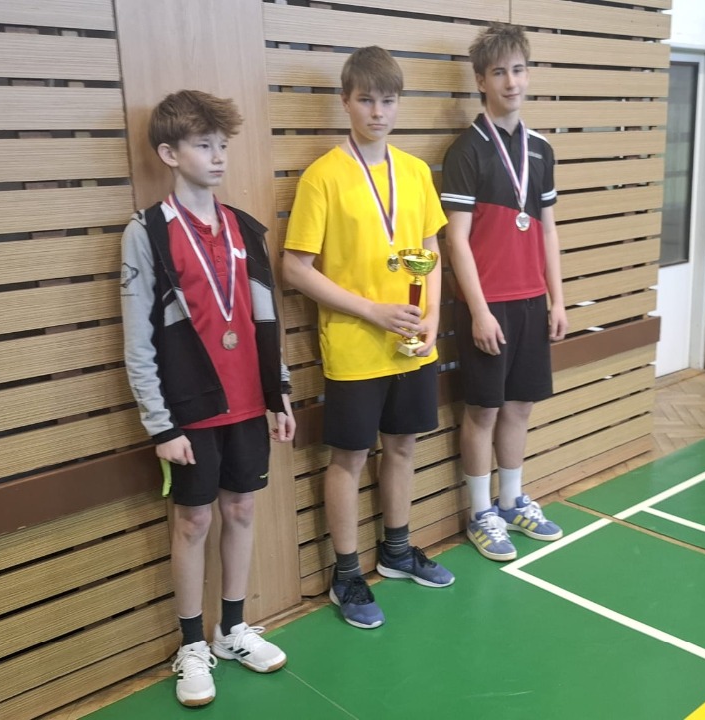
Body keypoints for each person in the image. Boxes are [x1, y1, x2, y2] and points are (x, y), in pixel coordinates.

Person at [120, 89, 295, 707]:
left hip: (248, 401)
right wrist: (160, 424)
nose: (218, 156)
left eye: (223, 145)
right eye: (203, 145)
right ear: (170, 153)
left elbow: (266, 319)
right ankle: (192, 645)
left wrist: (280, 391)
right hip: (188, 410)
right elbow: (137, 338)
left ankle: (232, 630)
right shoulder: (146, 232)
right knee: (193, 521)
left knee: (241, 511)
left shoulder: (246, 229)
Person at [283, 46, 455, 629]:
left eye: (387, 100)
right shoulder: (323, 176)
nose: (377, 112)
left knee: (403, 446)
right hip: (355, 347)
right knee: (350, 458)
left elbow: (431, 251)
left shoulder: (415, 172)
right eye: (366, 100)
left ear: (399, 103)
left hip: (413, 344)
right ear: (346, 101)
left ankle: (397, 551)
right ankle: (346, 574)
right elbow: (295, 268)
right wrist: (372, 311)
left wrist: (431, 316)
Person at [441, 23, 568, 562]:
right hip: (487, 307)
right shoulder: (466, 150)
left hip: (531, 302)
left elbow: (548, 230)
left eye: (518, 70)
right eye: (499, 72)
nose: (511, 82)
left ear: (528, 74)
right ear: (481, 81)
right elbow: (456, 240)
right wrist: (478, 311)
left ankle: (512, 500)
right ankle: (480, 512)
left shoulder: (540, 149)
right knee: (484, 411)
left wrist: (557, 299)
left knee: (519, 407)